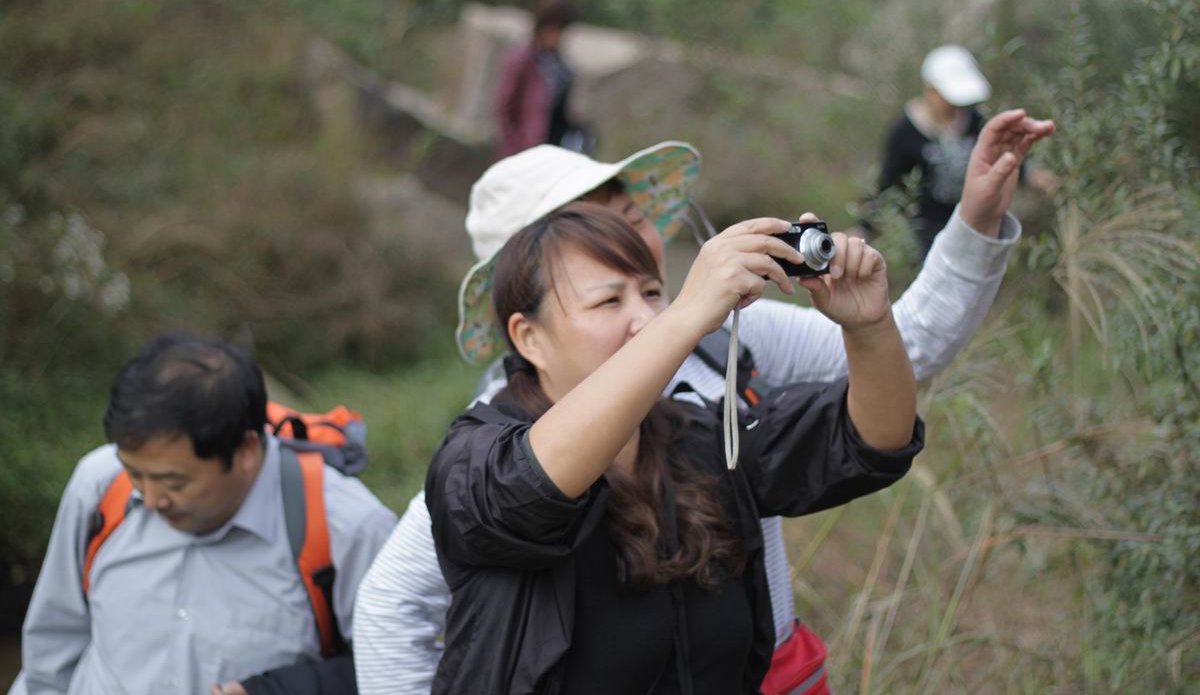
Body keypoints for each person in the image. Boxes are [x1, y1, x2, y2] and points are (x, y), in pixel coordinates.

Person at [354, 107, 1055, 694]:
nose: (635, 249)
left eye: (634, 225)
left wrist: (877, 313)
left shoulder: (704, 405)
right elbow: (428, 572)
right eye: (600, 244)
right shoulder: (489, 447)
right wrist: (684, 316)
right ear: (525, 325)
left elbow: (868, 429)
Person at [427, 202, 924, 692]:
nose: (645, 318)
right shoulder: (475, 460)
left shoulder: (700, 438)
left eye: (652, 293)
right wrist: (685, 315)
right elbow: (531, 486)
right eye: (609, 301)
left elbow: (872, 439)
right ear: (528, 337)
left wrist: (870, 326)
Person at [11, 333, 397, 695]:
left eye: (173, 483)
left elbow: (404, 672)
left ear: (245, 451)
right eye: (135, 474)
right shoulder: (99, 486)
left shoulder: (347, 528)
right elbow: (51, 651)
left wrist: (283, 689)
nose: (150, 499)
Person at [868, 45, 1057, 256]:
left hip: (971, 224)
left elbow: (999, 154)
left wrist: (1029, 172)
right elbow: (888, 182)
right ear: (930, 90)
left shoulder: (974, 121)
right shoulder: (905, 132)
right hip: (927, 232)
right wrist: (866, 226)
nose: (955, 106)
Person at [495, 0, 587, 157]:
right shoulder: (521, 61)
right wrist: (516, 149)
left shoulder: (560, 66)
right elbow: (504, 109)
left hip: (551, 148)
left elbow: (559, 112)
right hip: (523, 151)